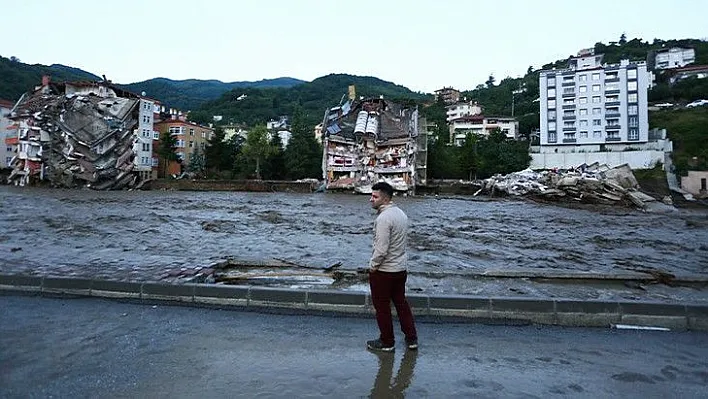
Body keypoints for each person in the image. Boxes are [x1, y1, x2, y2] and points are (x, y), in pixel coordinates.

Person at [366, 181, 418, 352]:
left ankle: (387, 342)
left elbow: (381, 249)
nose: (370, 200)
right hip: (400, 269)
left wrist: (373, 266)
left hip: (384, 271)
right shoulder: (401, 214)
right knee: (401, 304)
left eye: (375, 196)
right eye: (371, 196)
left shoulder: (383, 219)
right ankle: (411, 339)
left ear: (385, 198)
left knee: (382, 308)